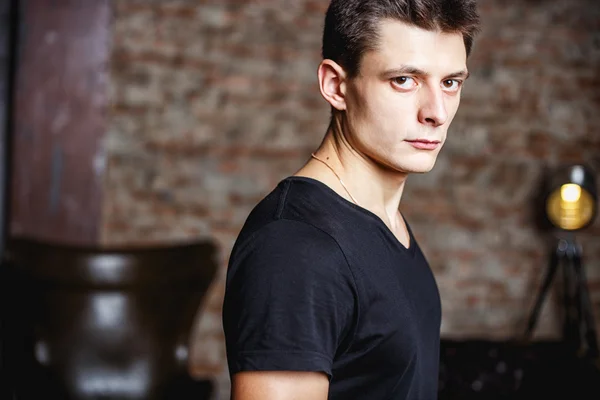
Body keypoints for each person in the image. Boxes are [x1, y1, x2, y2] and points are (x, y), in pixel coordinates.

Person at [222, 0, 480, 398]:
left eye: (450, 82)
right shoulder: (295, 247)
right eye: (404, 80)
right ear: (336, 85)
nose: (436, 112)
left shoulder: (384, 222)